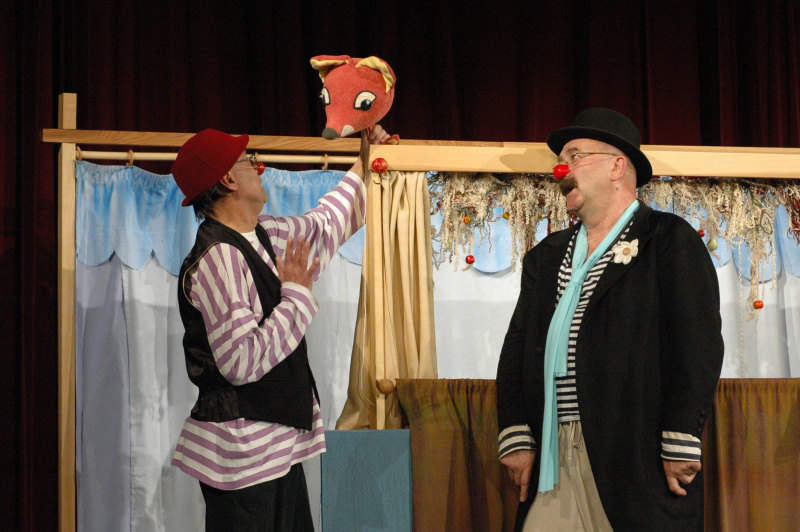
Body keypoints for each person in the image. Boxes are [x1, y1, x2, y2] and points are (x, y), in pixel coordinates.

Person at [496, 108, 724, 531]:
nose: (561, 170)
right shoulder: (546, 257)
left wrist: (680, 437)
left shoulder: (667, 240)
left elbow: (698, 345)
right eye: (560, 160)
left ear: (617, 166)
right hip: (552, 456)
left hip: (635, 453)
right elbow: (517, 347)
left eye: (576, 156)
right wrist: (516, 433)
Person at [170, 125, 390, 531]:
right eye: (249, 161)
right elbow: (240, 362)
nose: (260, 168)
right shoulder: (218, 257)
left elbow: (326, 224)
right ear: (228, 179)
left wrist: (366, 160)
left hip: (277, 452)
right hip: (242, 460)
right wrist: (297, 298)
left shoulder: (267, 233)